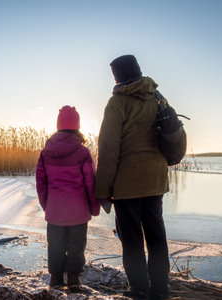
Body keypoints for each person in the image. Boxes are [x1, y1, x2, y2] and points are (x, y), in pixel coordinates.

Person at [95, 55, 170, 300]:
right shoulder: (157, 96)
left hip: (127, 185)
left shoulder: (117, 103)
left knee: (133, 241)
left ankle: (139, 290)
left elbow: (108, 150)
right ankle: (160, 291)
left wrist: (102, 189)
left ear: (117, 77)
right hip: (155, 180)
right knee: (157, 236)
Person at [36, 105, 100, 291]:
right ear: (77, 126)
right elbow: (91, 183)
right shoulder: (83, 152)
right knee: (76, 246)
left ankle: (56, 279)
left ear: (58, 126)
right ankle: (73, 280)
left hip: (55, 210)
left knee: (55, 245)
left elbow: (41, 183)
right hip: (78, 212)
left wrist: (47, 205)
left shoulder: (46, 152)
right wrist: (93, 207)